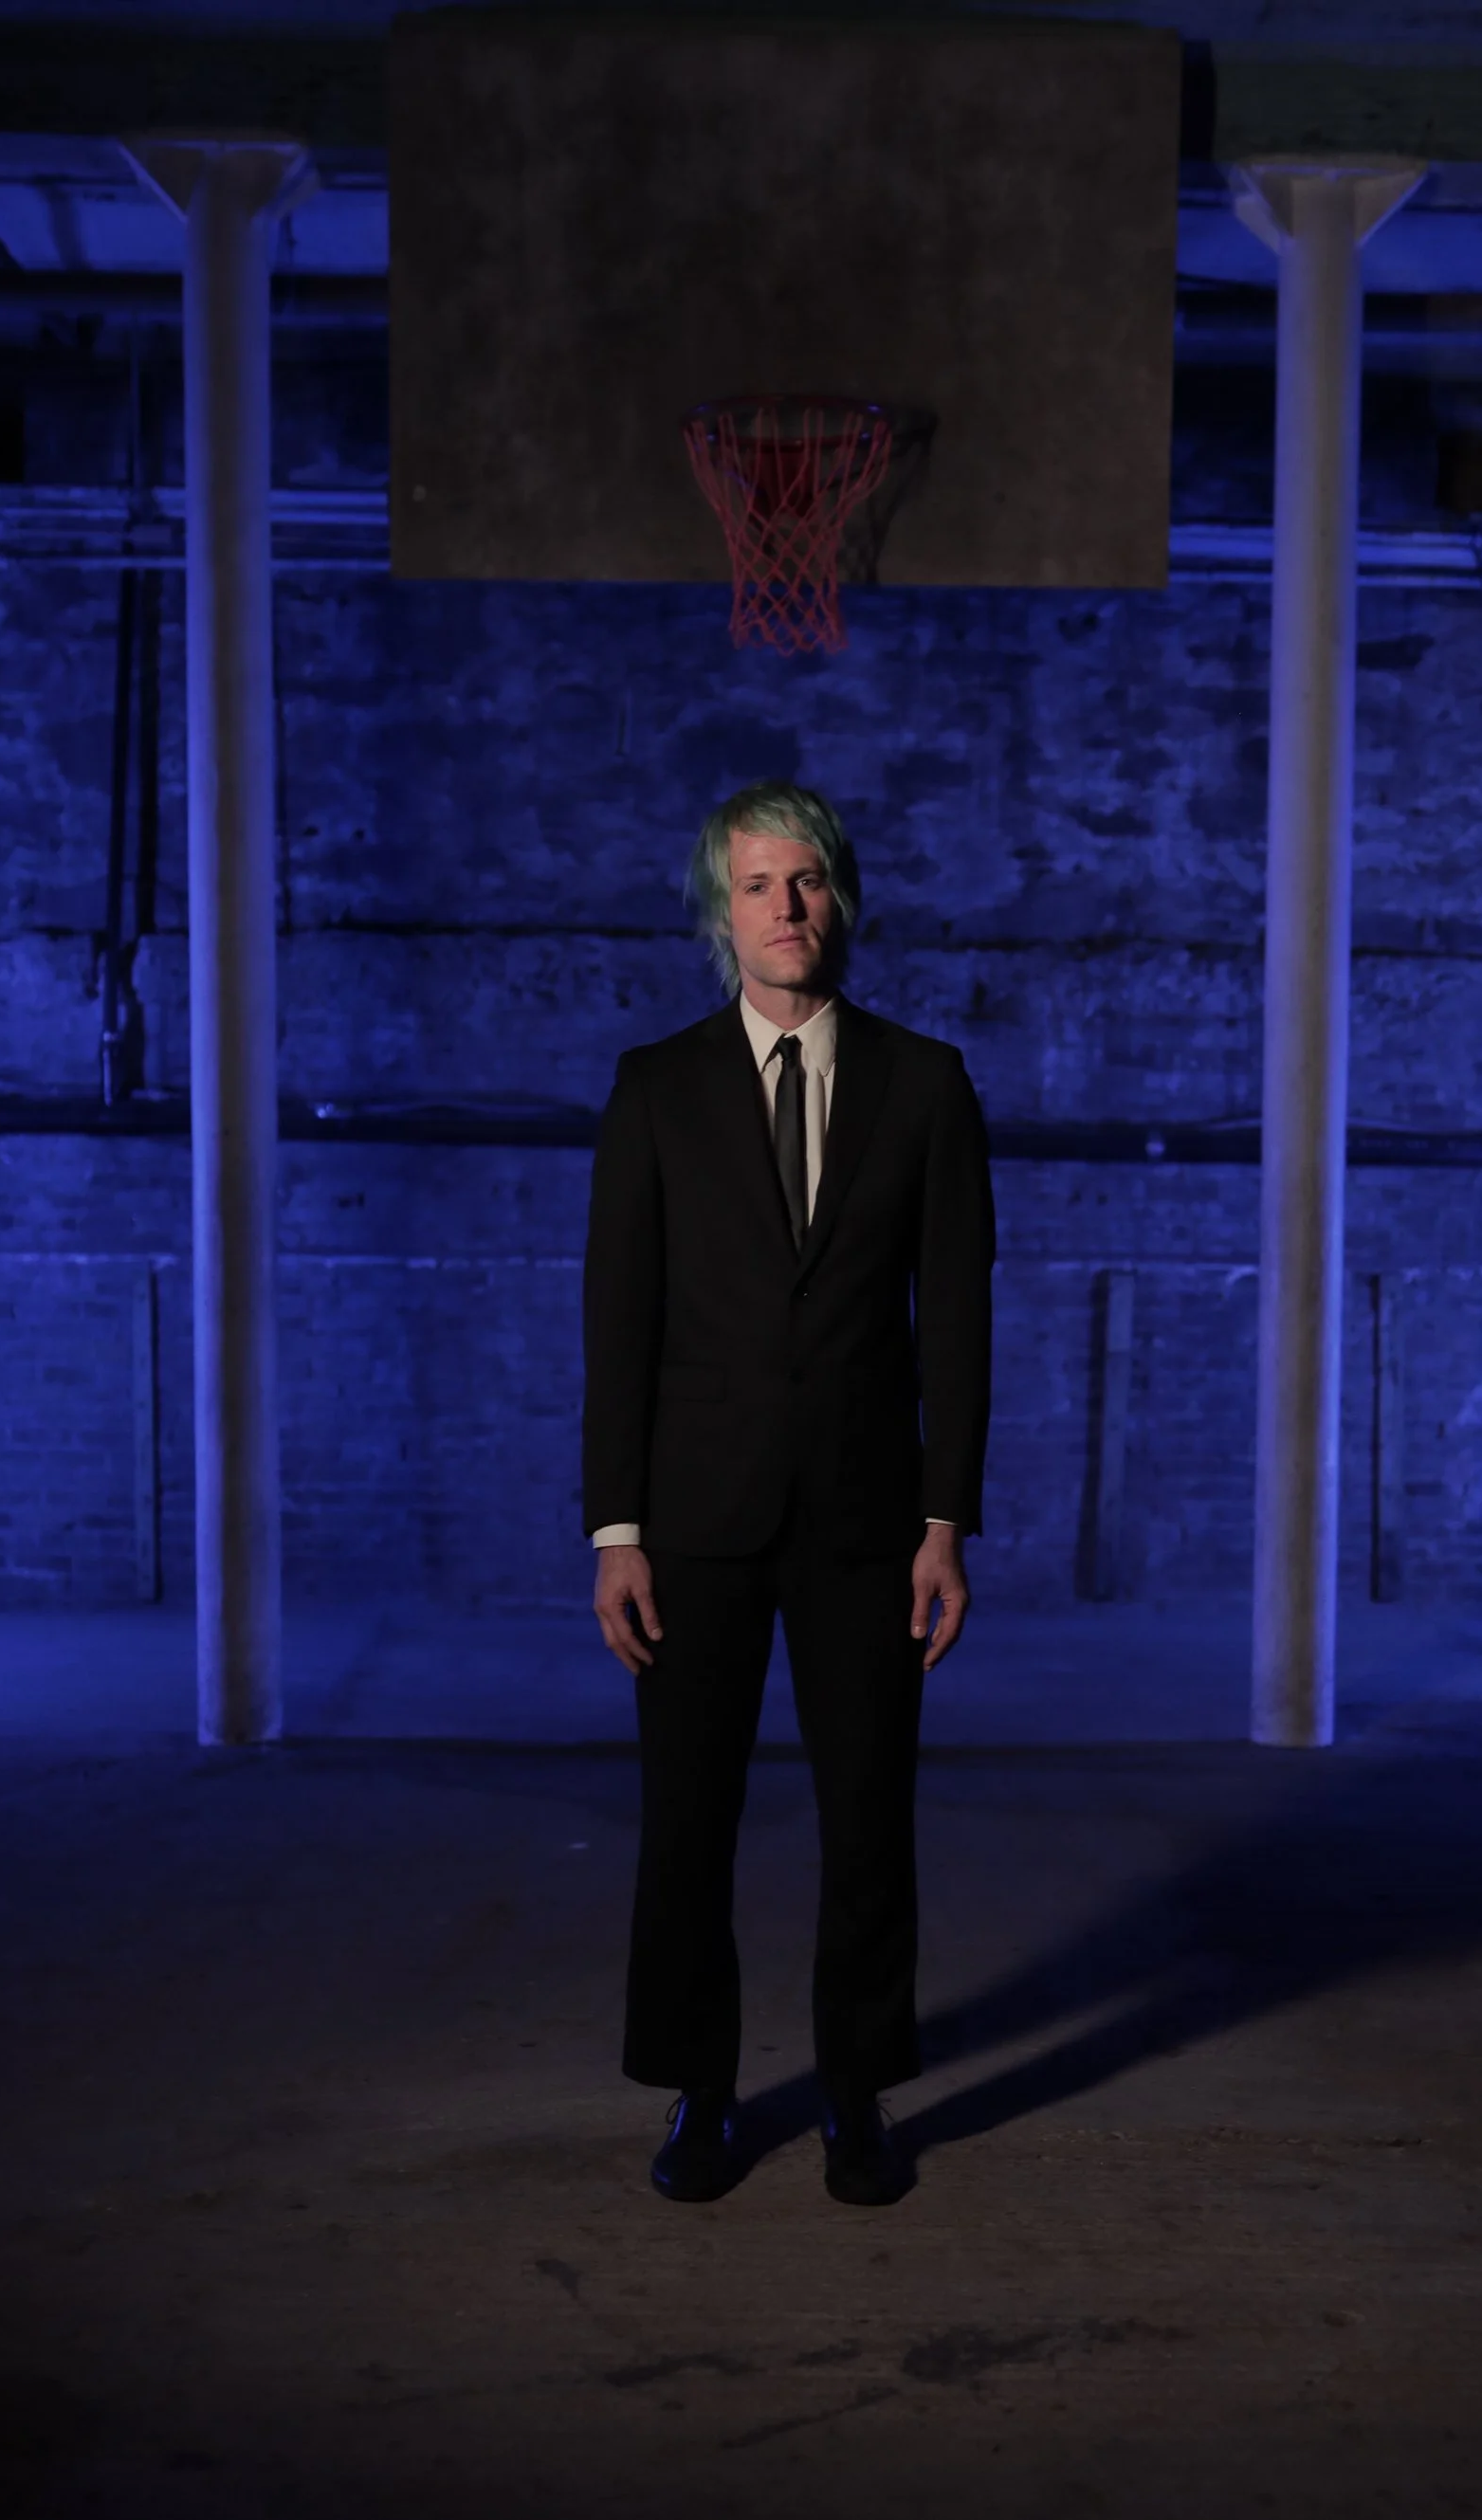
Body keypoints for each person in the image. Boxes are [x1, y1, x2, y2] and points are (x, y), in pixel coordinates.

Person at [583, 779, 995, 2208]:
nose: (787, 908)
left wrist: (948, 1520)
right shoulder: (656, 1088)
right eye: (759, 885)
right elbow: (618, 1322)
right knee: (686, 1818)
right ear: (721, 912)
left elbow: (959, 1319)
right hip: (691, 1523)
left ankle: (857, 2092)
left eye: (808, 880)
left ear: (843, 899)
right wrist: (615, 1530)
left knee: (869, 1818)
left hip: (870, 1524)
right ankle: (704, 2091)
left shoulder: (925, 1084)